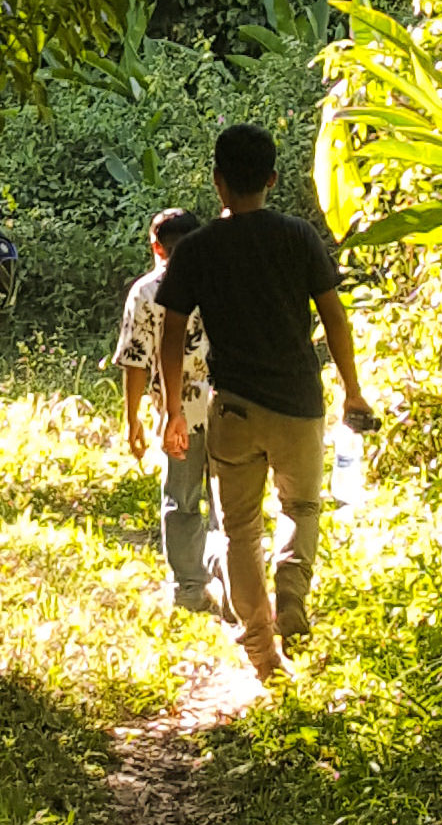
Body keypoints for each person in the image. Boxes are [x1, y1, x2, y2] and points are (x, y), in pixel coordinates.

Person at [153, 122, 378, 680]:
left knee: (239, 528)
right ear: (273, 179)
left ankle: (261, 648)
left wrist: (172, 410)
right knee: (301, 509)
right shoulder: (298, 236)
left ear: (218, 183)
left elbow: (171, 333)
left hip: (233, 407)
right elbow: (333, 315)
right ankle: (292, 593)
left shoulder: (197, 249)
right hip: (299, 403)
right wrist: (352, 387)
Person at [117, 208, 224, 615]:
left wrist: (133, 420)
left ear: (155, 246)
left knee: (181, 500)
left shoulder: (146, 291)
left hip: (177, 411)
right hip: (230, 405)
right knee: (228, 501)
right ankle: (230, 580)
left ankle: (189, 589)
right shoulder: (223, 279)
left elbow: (135, 360)